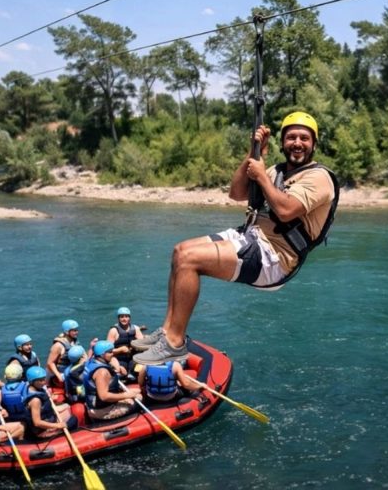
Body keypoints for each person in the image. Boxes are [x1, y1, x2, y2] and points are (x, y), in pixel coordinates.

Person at [134, 112, 339, 365]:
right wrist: (254, 155)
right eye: (291, 137)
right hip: (252, 236)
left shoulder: (319, 178)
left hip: (274, 258)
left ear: (314, 144)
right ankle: (167, 332)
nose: (297, 143)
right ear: (283, 142)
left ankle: (174, 343)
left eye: (304, 138)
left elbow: (286, 211)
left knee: (189, 260)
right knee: (180, 251)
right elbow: (237, 193)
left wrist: (262, 175)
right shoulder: (276, 171)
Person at [84, 340, 142, 420]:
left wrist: (117, 369)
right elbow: (104, 396)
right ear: (102, 354)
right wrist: (126, 395)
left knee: (139, 391)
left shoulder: (91, 361)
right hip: (104, 411)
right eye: (110, 352)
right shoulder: (102, 372)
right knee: (139, 398)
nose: (113, 354)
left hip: (99, 405)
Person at [22, 367, 76, 440]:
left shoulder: (32, 388)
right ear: (32, 381)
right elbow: (37, 422)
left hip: (49, 418)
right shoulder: (35, 400)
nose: (44, 382)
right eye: (40, 380)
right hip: (42, 431)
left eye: (44, 379)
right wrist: (58, 425)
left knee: (67, 406)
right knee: (73, 420)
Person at [137, 361, 204, 403]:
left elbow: (140, 382)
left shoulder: (146, 365)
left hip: (151, 397)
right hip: (171, 397)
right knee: (185, 386)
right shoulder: (175, 365)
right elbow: (186, 384)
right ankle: (197, 397)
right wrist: (200, 385)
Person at [107, 307, 142, 380]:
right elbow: (107, 351)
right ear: (118, 318)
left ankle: (133, 375)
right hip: (119, 359)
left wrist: (136, 347)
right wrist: (120, 350)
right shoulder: (113, 331)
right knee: (122, 375)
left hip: (133, 358)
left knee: (139, 371)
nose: (124, 319)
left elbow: (142, 344)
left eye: (126, 316)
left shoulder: (135, 329)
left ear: (129, 318)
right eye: (121, 316)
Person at [47, 319, 80, 386]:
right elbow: (50, 363)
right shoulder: (58, 346)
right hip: (61, 373)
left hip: (72, 371)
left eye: (77, 330)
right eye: (74, 330)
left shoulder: (75, 342)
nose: (77, 332)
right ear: (67, 332)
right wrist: (59, 375)